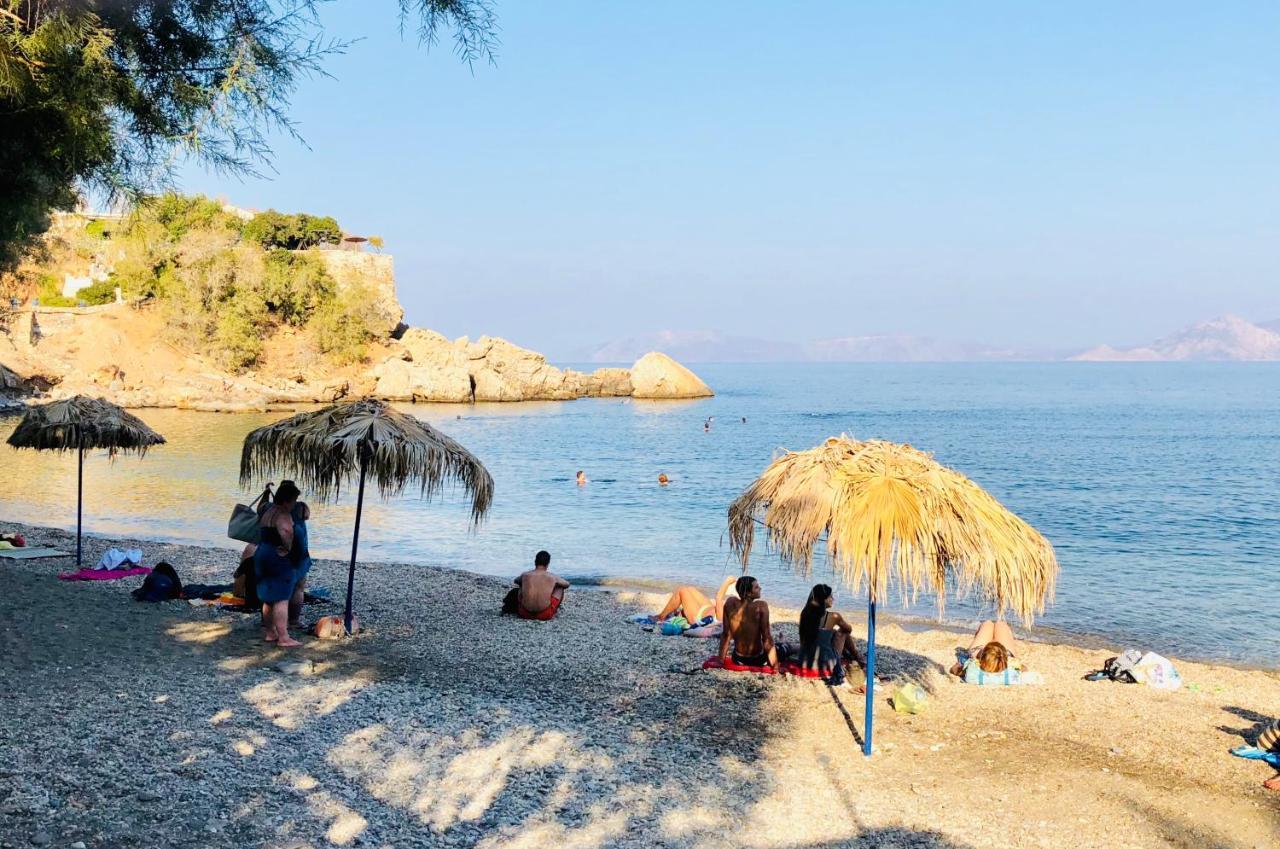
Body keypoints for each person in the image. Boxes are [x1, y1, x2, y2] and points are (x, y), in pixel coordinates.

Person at [254, 481, 303, 647]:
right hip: (277, 555)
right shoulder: (283, 514)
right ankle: (283, 637)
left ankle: (270, 632)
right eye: (294, 501)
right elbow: (287, 532)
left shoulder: (267, 510)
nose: (294, 504)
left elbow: (259, 509)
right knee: (282, 597)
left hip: (261, 552)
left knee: (268, 597)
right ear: (287, 500)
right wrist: (288, 549)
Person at [794, 583, 858, 686]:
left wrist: (829, 631)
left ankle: (852, 655)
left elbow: (804, 639)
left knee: (828, 633)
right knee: (842, 632)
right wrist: (834, 629)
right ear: (824, 599)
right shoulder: (834, 616)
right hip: (825, 664)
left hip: (804, 661)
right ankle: (856, 656)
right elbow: (849, 629)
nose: (833, 599)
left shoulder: (805, 613)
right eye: (830, 596)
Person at [718, 575, 780, 671]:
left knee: (778, 645)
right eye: (756, 587)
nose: (760, 588)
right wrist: (775, 666)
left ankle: (783, 642)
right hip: (758, 659)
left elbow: (726, 634)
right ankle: (795, 647)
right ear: (748, 593)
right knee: (783, 649)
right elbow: (766, 638)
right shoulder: (761, 607)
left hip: (738, 659)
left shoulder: (730, 603)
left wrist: (720, 660)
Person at [949, 620, 1027, 681]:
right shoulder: (1011, 665)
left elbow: (954, 669)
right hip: (1001, 655)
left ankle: (992, 640)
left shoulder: (970, 668)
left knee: (988, 624)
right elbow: (1024, 669)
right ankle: (994, 638)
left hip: (981, 655)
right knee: (1000, 624)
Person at [653, 576, 735, 627]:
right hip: (708, 607)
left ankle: (661, 616)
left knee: (682, 590)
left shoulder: (723, 617)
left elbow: (719, 597)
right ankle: (677, 612)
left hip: (698, 617)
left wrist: (727, 582)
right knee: (691, 589)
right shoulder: (738, 611)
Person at [512, 550, 570, 620]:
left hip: (524, 613)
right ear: (548, 564)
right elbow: (567, 584)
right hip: (544, 615)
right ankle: (553, 609)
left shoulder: (525, 575)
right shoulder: (552, 577)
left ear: (535, 562)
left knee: (521, 584)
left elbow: (516, 580)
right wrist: (553, 585)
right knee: (560, 588)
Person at [286, 488, 313, 629]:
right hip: (299, 550)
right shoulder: (300, 507)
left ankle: (268, 621)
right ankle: (293, 620)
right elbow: (307, 515)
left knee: (281, 587)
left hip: (286, 550)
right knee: (298, 587)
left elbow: (260, 510)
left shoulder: (273, 509)